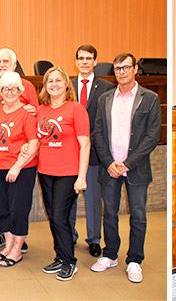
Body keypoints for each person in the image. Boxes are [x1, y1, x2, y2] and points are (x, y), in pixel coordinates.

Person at [90, 54, 162, 284]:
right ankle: (110, 254)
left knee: (138, 216)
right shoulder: (105, 99)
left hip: (136, 168)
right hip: (109, 167)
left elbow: (152, 136)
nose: (121, 72)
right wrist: (109, 162)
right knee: (109, 213)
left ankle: (134, 260)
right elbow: (98, 133)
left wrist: (128, 163)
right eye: (117, 68)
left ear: (136, 69)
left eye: (126, 67)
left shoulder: (149, 98)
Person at [0, 47, 38, 252]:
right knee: (3, 208)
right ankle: (8, 244)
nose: (9, 92)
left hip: (20, 166)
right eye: (6, 89)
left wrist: (17, 166)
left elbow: (34, 137)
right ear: (0, 91)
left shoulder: (27, 106)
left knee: (18, 208)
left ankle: (16, 248)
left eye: (14, 89)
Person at [37, 66, 90, 282]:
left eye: (58, 81)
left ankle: (70, 261)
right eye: (50, 81)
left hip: (68, 173)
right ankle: (59, 256)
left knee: (60, 217)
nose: (54, 85)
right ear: (45, 86)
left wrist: (82, 176)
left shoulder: (76, 109)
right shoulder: (40, 110)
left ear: (66, 84)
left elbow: (85, 145)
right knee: (53, 217)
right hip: (45, 171)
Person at [70, 44, 114, 258]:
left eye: (89, 58)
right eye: (81, 58)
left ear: (95, 61)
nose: (84, 62)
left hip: (95, 152)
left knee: (94, 199)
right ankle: (69, 235)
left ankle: (94, 239)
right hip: (69, 153)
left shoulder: (106, 87)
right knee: (68, 198)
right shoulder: (67, 85)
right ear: (76, 61)